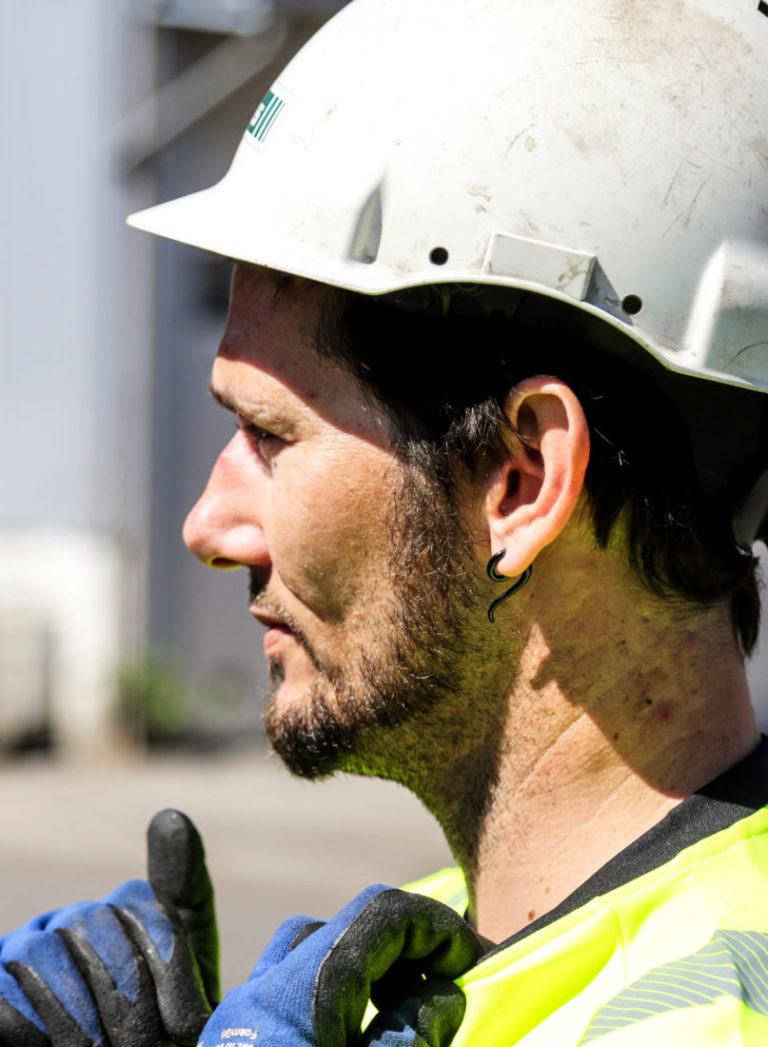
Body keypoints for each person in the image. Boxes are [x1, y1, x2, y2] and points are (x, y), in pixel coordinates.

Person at [4, 0, 768, 1042]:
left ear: (522, 479)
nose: (209, 524)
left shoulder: (700, 1015)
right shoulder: (478, 937)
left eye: (270, 436)